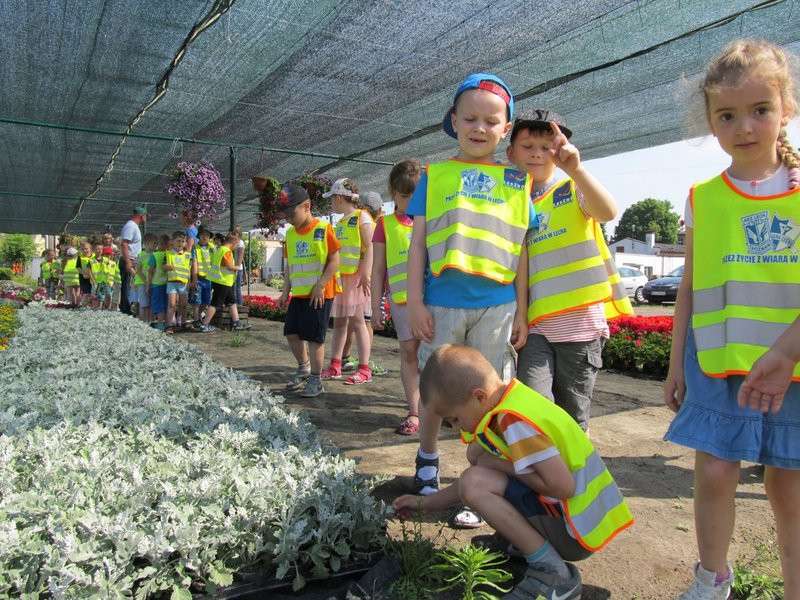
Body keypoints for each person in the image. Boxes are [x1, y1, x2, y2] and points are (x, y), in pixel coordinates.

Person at [663, 40, 800, 600]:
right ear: (710, 122)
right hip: (719, 365)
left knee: (789, 487)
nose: (744, 127)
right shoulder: (703, 198)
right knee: (716, 473)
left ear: (786, 109)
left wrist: (787, 350)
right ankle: (711, 579)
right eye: (727, 115)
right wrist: (676, 365)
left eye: (760, 109)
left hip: (793, 368)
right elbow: (689, 288)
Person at [393, 344, 633, 600]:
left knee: (477, 479)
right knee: (478, 470)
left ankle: (552, 573)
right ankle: (516, 542)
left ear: (479, 397)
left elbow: (562, 487)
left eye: (454, 419)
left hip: (574, 532)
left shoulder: (514, 420)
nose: (455, 428)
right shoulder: (513, 401)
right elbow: (478, 477)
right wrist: (426, 504)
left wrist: (497, 464)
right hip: (575, 522)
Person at [406, 74, 535, 529]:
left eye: (491, 121)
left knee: (490, 394)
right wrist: (415, 301)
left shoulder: (519, 182)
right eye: (471, 118)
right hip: (441, 302)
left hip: (498, 306)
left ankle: (480, 480)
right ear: (454, 121)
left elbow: (521, 251)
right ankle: (427, 459)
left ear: (506, 129)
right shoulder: (435, 176)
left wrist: (522, 311)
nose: (480, 127)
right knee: (434, 386)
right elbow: (417, 244)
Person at [507, 110, 631, 431]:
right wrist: (521, 316)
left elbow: (607, 211)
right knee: (535, 409)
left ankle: (576, 464)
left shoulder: (571, 189)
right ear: (510, 153)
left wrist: (576, 170)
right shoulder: (510, 204)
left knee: (573, 420)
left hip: (581, 329)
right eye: (528, 146)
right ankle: (547, 464)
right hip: (536, 328)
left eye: (547, 146)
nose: (537, 153)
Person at [371, 160, 423, 434]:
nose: (411, 201)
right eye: (404, 196)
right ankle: (415, 412)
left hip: (432, 300)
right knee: (409, 352)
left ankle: (439, 407)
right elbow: (378, 270)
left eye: (417, 194)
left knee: (436, 355)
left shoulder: (433, 220)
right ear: (392, 193)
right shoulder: (385, 225)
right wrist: (376, 307)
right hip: (401, 302)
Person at [277, 184, 341, 398]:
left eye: (291, 213)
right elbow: (290, 266)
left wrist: (321, 285)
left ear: (307, 206)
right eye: (285, 215)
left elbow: (335, 260)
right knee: (291, 333)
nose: (288, 219)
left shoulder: (323, 229)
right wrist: (285, 292)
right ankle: (304, 368)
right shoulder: (290, 234)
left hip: (319, 295)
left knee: (315, 339)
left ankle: (316, 379)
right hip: (299, 294)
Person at [320, 178, 376, 385]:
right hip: (342, 278)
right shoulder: (342, 222)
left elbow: (371, 246)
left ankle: (364, 369)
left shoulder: (362, 217)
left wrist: (366, 272)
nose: (331, 203)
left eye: (332, 199)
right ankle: (335, 365)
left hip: (357, 278)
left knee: (358, 322)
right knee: (340, 322)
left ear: (339, 198)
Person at [342, 190, 388, 376]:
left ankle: (345, 357)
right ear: (378, 210)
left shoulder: (352, 221)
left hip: (352, 276)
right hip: (368, 279)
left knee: (353, 320)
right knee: (366, 323)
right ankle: (365, 362)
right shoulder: (372, 225)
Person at [198, 231, 249, 332]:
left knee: (231, 301)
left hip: (222, 281)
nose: (236, 248)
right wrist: (238, 268)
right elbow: (229, 266)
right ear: (233, 243)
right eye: (237, 245)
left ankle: (236, 323)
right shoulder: (227, 251)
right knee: (215, 303)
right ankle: (205, 325)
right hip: (222, 281)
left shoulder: (220, 249)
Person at [119, 206, 147, 315]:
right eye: (145, 216)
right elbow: (124, 244)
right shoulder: (131, 226)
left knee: (129, 286)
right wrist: (128, 262)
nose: (146, 218)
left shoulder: (133, 226)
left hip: (133, 260)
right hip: (129, 260)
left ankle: (127, 308)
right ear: (141, 215)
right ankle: (125, 309)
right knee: (127, 285)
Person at [163, 231, 190, 333]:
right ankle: (169, 325)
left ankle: (183, 323)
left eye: (183, 241)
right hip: (172, 282)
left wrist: (190, 282)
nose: (180, 243)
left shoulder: (188, 255)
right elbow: (163, 267)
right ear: (172, 241)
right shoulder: (168, 254)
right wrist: (167, 267)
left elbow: (189, 269)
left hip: (184, 283)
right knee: (172, 303)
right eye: (178, 241)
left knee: (184, 304)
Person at [190, 227, 214, 329]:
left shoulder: (212, 247)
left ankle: (198, 316)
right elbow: (194, 263)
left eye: (207, 235)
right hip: (199, 278)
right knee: (197, 300)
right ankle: (196, 321)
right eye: (203, 235)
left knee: (207, 300)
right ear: (199, 236)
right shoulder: (195, 247)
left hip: (209, 279)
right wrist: (194, 278)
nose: (205, 237)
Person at [148, 234, 171, 331]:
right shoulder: (170, 255)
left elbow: (150, 271)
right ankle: (166, 323)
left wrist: (148, 285)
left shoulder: (154, 255)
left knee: (159, 304)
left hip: (156, 284)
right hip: (168, 284)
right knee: (166, 304)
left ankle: (160, 324)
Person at [135, 233, 157, 324]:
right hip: (142, 282)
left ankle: (151, 321)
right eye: (154, 243)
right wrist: (145, 281)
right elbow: (138, 270)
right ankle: (143, 322)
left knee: (151, 303)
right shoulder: (140, 255)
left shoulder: (156, 254)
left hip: (153, 282)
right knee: (144, 304)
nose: (156, 245)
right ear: (147, 243)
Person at [77, 241, 94, 307]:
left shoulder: (94, 256)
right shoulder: (80, 257)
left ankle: (92, 306)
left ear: (90, 249)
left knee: (93, 293)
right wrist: (84, 274)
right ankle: (84, 306)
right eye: (83, 249)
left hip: (94, 278)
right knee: (86, 293)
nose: (84, 250)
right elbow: (78, 268)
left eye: (86, 249)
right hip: (84, 278)